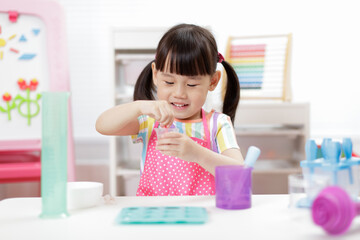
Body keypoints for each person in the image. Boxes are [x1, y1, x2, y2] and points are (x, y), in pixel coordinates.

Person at [96, 24, 243, 196]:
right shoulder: (149, 120)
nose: (179, 93)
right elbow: (102, 125)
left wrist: (197, 154)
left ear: (212, 81)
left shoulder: (217, 124)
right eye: (169, 82)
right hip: (153, 215)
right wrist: (139, 106)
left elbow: (239, 173)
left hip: (200, 216)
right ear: (156, 75)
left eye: (191, 84)